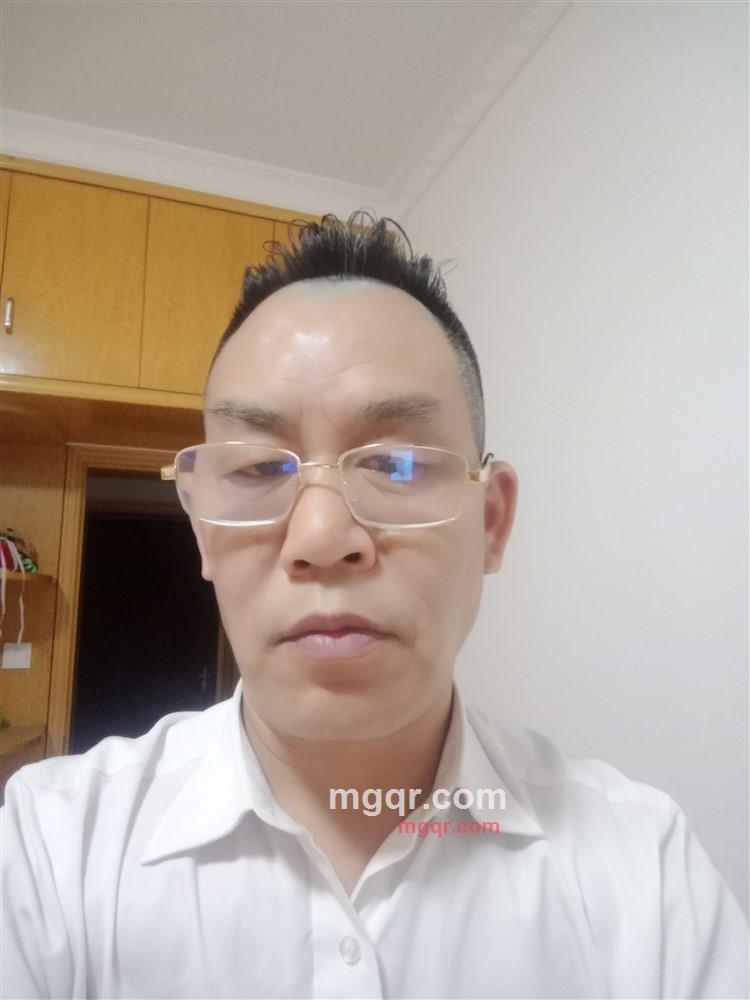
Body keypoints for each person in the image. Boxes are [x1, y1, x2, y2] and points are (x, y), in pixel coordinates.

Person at [1, 213, 747, 999]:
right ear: (203, 533)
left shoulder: (646, 874)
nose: (321, 537)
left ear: (491, 522)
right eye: (257, 469)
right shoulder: (51, 855)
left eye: (396, 464)